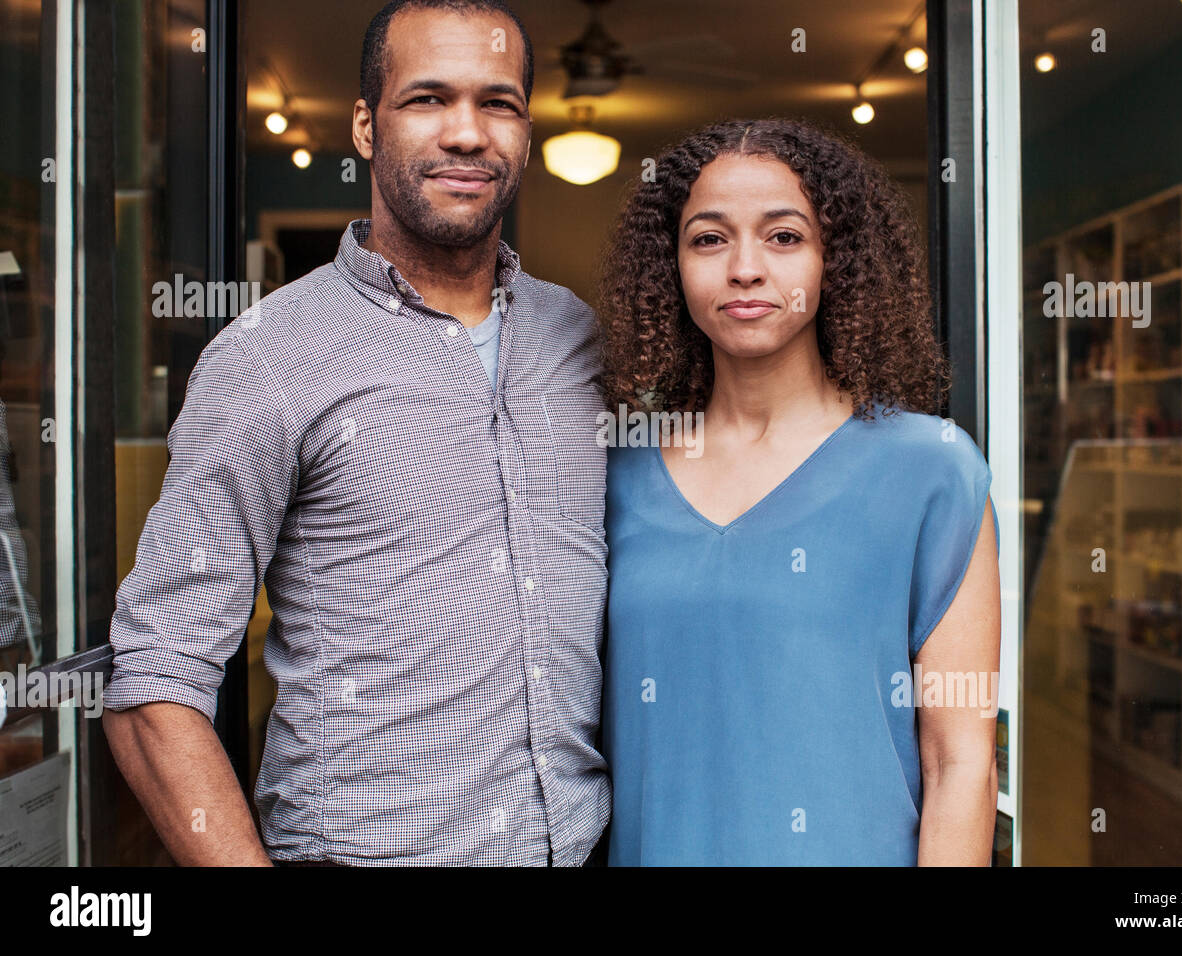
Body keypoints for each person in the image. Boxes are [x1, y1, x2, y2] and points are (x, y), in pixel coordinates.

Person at [102, 0, 610, 866]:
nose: (467, 133)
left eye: (499, 103)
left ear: (525, 134)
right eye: (427, 99)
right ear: (367, 127)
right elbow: (156, 677)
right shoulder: (266, 358)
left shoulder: (579, 341)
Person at [596, 118, 1002, 865]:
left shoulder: (932, 471)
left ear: (834, 261)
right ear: (670, 269)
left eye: (784, 237)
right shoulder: (615, 473)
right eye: (708, 239)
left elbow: (961, 763)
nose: (745, 268)